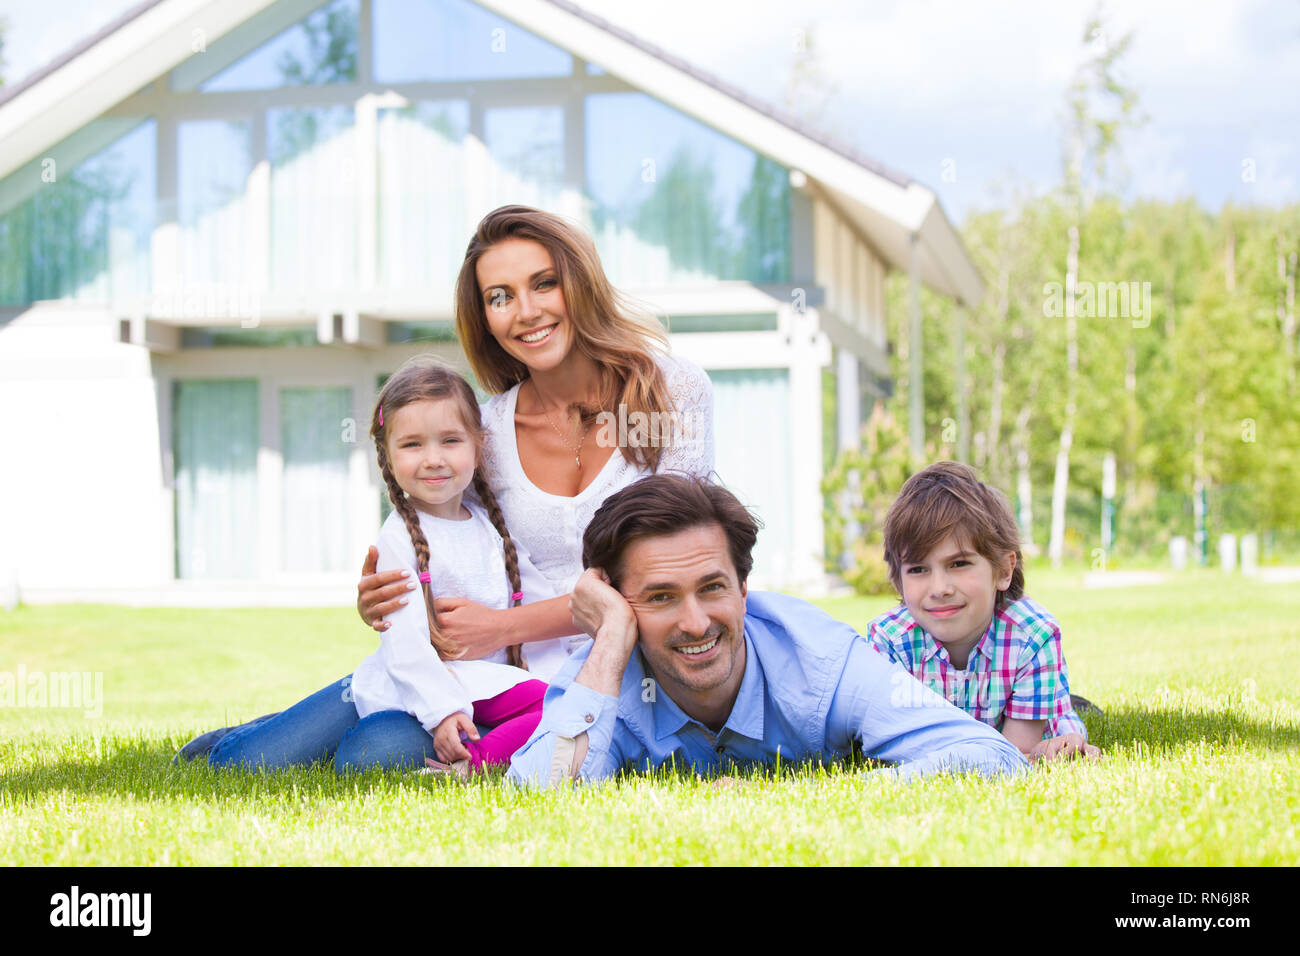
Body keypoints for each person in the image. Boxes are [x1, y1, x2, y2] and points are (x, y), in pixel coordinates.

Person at [179, 206, 714, 764]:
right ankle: (253, 741)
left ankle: (278, 736)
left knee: (375, 751)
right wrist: (388, 598)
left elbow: (679, 568)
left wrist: (505, 625)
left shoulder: (673, 393)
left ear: (580, 284)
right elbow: (450, 541)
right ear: (483, 316)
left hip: (609, 669)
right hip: (489, 674)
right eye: (500, 297)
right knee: (372, 718)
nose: (526, 312)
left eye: (544, 284)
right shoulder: (485, 433)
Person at [506, 475, 1030, 788]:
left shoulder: (821, 661)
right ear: (618, 603)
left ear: (743, 589)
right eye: (661, 597)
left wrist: (828, 795)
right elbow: (540, 795)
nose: (695, 623)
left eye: (713, 588)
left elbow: (989, 755)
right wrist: (613, 639)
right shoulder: (599, 677)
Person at [203, 359, 576, 773]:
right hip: (412, 688)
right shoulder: (399, 539)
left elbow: (540, 603)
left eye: (450, 440)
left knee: (372, 755)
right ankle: (228, 741)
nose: (433, 459)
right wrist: (442, 712)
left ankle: (453, 755)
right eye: (413, 445)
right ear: (388, 453)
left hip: (480, 690)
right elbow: (406, 646)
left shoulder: (494, 530)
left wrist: (569, 672)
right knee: (241, 765)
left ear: (478, 444)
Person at [866, 461, 1100, 762]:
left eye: (958, 564)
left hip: (1026, 730)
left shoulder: (1033, 636)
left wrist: (1034, 754)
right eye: (918, 569)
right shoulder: (889, 641)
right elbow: (892, 743)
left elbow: (1011, 757)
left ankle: (1064, 703)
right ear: (898, 580)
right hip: (957, 733)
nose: (940, 588)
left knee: (1056, 748)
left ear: (1003, 570)